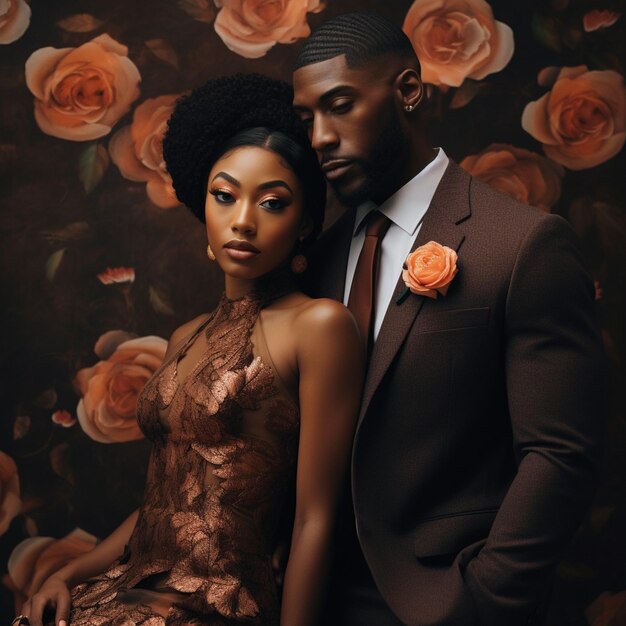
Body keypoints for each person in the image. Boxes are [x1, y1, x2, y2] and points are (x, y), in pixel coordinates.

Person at [292, 11, 606, 626]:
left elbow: (559, 456)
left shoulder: (522, 246)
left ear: (408, 89)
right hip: (304, 598)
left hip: (439, 600)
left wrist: (479, 603)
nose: (321, 138)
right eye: (307, 120)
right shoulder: (314, 260)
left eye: (339, 105)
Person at [18, 74, 363, 626]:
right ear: (203, 208)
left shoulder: (318, 325)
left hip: (215, 607)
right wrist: (69, 573)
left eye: (273, 203)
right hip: (123, 592)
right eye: (224, 196)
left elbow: (314, 518)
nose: (243, 220)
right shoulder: (186, 335)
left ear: (304, 226)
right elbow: (164, 500)